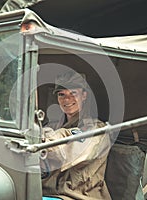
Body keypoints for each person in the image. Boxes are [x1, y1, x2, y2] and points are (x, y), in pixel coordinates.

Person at [41, 71, 112, 200]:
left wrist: (43, 140)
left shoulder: (96, 129)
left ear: (84, 96)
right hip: (48, 192)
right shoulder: (53, 126)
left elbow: (65, 152)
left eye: (73, 93)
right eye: (61, 94)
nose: (67, 99)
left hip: (79, 195)